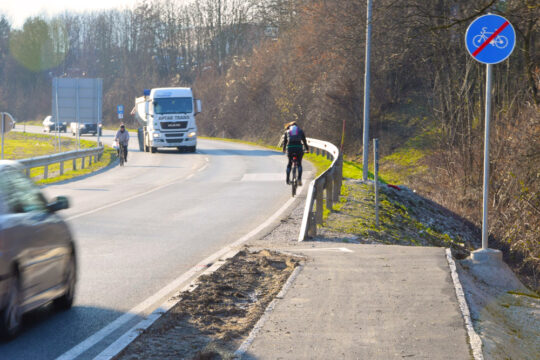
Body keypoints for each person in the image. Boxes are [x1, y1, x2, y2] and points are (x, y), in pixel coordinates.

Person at [281, 121, 309, 186]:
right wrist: (307, 149)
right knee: (299, 164)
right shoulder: (300, 131)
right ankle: (299, 179)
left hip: (290, 148)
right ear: (297, 126)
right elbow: (304, 141)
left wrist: (284, 149)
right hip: (299, 148)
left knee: (289, 164)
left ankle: (287, 180)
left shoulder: (287, 131)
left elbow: (285, 142)